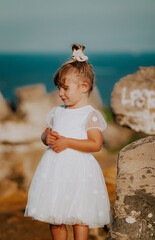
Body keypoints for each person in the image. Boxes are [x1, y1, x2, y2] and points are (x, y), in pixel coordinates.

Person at [24, 43, 113, 240]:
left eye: (65, 88)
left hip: (79, 171)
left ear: (84, 87)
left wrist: (67, 142)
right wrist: (46, 138)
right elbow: (45, 134)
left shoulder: (90, 115)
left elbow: (95, 144)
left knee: (79, 217)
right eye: (58, 88)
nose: (60, 93)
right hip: (55, 171)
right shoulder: (57, 112)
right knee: (56, 217)